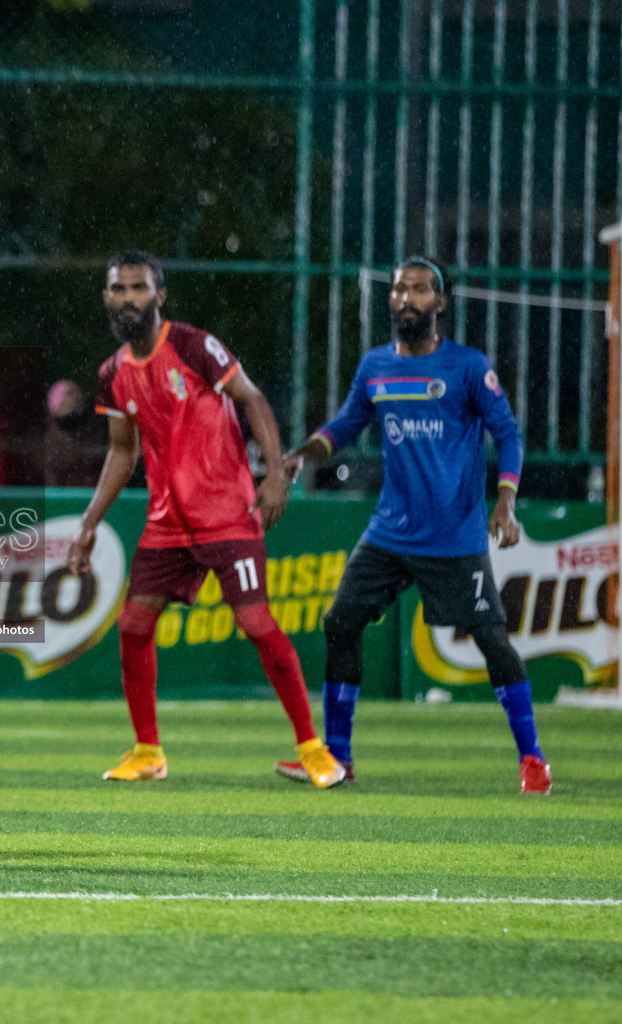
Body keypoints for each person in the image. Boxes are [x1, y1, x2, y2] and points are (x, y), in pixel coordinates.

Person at [66, 250, 345, 788]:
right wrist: (88, 524)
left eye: (139, 288)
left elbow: (253, 399)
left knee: (257, 624)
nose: (129, 298)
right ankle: (148, 751)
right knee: (133, 626)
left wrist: (275, 474)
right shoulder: (111, 375)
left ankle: (312, 749)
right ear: (106, 297)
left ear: (160, 295)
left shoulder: (194, 345)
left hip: (226, 515)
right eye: (119, 289)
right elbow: (122, 454)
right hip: (167, 522)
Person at [279, 256, 549, 794]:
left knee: (492, 640)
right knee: (340, 623)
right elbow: (347, 423)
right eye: (400, 289)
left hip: (453, 537)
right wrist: (305, 453)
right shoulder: (376, 367)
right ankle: (338, 757)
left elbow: (509, 435)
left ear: (441, 302)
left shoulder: (469, 367)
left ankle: (533, 760)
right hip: (389, 532)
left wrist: (506, 502)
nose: (407, 298)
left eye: (421, 290)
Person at [45, 379, 98, 486]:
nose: (68, 433)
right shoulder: (41, 455)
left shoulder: (91, 455)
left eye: (73, 422)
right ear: (51, 421)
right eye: (63, 422)